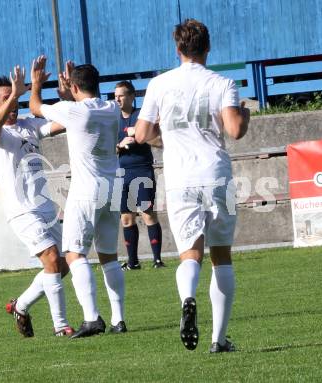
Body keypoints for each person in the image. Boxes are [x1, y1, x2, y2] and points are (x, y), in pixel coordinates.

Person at [135, 19, 249, 353]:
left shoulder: (159, 84)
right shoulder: (223, 83)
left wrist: (166, 141)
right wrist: (243, 115)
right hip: (215, 173)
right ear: (208, 48)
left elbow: (141, 134)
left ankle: (188, 298)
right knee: (222, 256)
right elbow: (235, 131)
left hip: (180, 177)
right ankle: (218, 339)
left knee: (190, 254)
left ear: (178, 49)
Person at [29, 56, 127, 338]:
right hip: (112, 186)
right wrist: (68, 92)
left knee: (74, 253)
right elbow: (76, 107)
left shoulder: (74, 111)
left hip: (86, 190)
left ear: (74, 87)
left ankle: (92, 318)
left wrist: (37, 84)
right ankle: (119, 320)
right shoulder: (110, 107)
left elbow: (35, 108)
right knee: (109, 255)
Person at [0, 66, 73, 338]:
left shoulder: (29, 126)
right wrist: (17, 92)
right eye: (7, 97)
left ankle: (21, 305)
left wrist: (65, 98)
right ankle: (60, 325)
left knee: (65, 263)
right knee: (52, 259)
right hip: (22, 212)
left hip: (47, 208)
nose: (15, 102)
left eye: (17, 97)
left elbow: (62, 122)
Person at [115, 81, 165, 270]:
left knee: (147, 214)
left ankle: (157, 260)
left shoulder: (141, 117)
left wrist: (138, 136)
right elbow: (106, 149)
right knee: (126, 218)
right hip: (121, 174)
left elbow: (158, 140)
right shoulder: (113, 120)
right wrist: (120, 145)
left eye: (121, 95)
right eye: (115, 96)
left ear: (131, 96)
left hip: (142, 170)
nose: (117, 99)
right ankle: (133, 262)